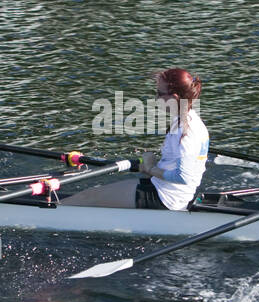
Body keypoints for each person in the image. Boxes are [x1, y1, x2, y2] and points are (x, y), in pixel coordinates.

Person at [63, 68, 208, 210]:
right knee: (92, 194)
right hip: (165, 190)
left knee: (89, 197)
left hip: (165, 198)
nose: (156, 98)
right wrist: (152, 167)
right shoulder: (190, 121)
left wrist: (151, 168)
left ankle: (49, 213)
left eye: (160, 93)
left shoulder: (187, 131)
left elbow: (183, 177)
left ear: (174, 98)